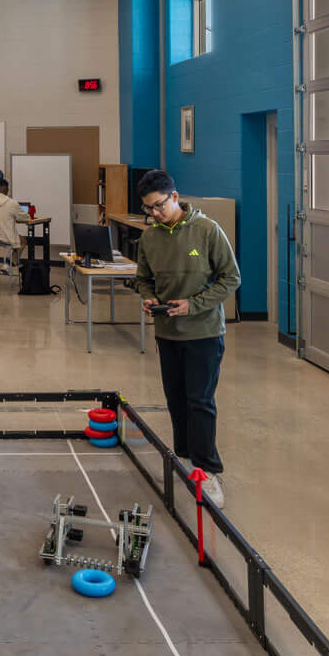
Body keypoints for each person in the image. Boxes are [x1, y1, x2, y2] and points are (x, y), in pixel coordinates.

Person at [127, 169, 239, 508]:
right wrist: (147, 297)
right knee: (175, 400)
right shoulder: (149, 238)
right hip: (168, 334)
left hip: (203, 333)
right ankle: (186, 460)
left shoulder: (207, 231)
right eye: (149, 209)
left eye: (159, 206)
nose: (155, 213)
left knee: (199, 402)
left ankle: (208, 471)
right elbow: (143, 279)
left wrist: (193, 306)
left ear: (175, 197)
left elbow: (230, 279)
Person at [0, 174, 30, 270]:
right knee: (23, 241)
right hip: (6, 238)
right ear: (7, 190)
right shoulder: (12, 203)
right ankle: (8, 264)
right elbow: (26, 218)